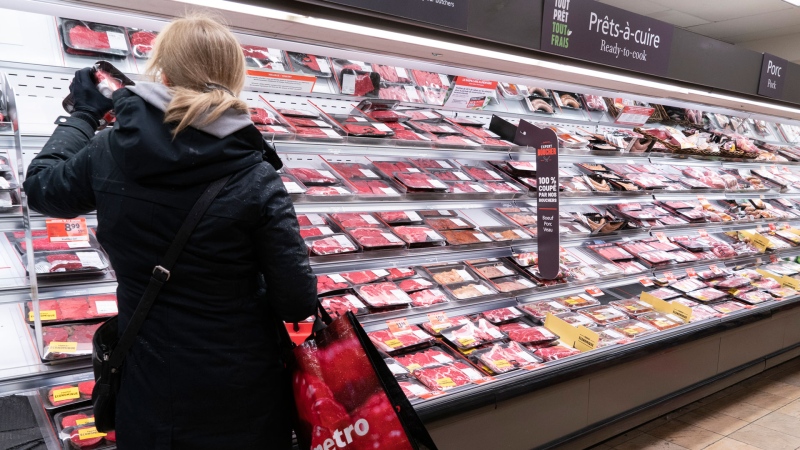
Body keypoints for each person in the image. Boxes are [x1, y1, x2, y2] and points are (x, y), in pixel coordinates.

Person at [23, 14, 316, 449]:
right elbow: (295, 298)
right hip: (242, 380)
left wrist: (84, 113)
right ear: (233, 78)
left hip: (148, 371)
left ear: (162, 71)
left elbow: (41, 188)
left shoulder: (107, 150)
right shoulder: (255, 172)